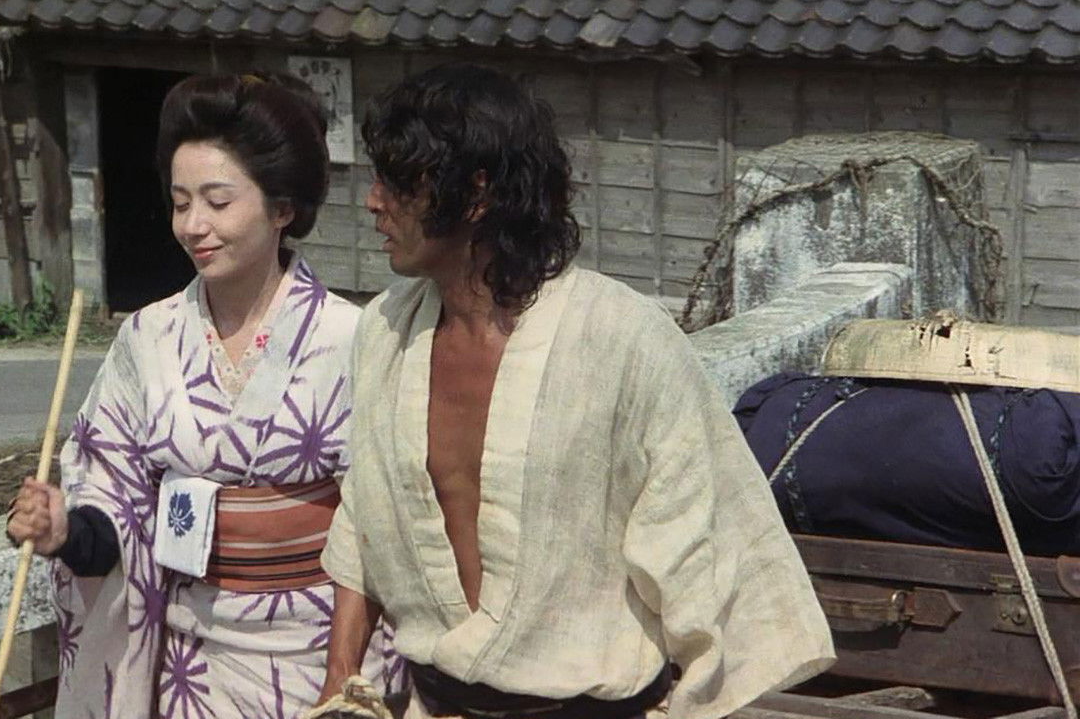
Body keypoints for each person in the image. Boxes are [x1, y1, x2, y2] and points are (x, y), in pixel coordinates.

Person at [315, 64, 835, 719]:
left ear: (476, 193)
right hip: (439, 704)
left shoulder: (620, 339)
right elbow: (365, 516)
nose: (372, 201)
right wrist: (340, 678)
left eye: (398, 182)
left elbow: (704, 533)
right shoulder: (384, 333)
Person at [6, 72, 404, 719]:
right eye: (180, 202)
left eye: (218, 202)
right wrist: (66, 531)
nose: (194, 225)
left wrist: (344, 676)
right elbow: (114, 497)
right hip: (187, 666)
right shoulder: (149, 336)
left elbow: (384, 522)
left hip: (323, 656)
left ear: (282, 209)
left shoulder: (353, 338)